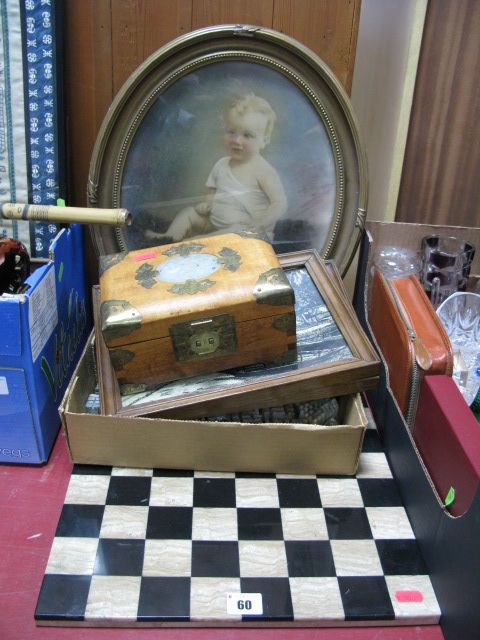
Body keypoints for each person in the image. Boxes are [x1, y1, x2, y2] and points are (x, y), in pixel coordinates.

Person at [145, 93, 287, 243]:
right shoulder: (221, 164)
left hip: (248, 235)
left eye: (247, 135)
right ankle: (170, 236)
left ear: (264, 141)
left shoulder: (263, 171)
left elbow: (280, 203)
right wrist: (208, 204)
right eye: (231, 132)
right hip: (215, 224)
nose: (237, 140)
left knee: (235, 230)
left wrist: (259, 224)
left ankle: (197, 243)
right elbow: (212, 190)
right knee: (188, 213)